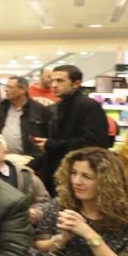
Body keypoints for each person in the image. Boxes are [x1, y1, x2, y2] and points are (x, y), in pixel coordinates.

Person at [29, 65, 108, 195]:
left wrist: (51, 145)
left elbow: (94, 143)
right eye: (53, 80)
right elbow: (52, 148)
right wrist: (32, 166)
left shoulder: (89, 107)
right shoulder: (55, 108)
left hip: (80, 177)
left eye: (60, 81)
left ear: (76, 83)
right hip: (57, 176)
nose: (54, 85)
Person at [0, 131, 50, 226]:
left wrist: (34, 212)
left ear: (5, 153)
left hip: (16, 229)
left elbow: (45, 203)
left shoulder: (24, 176)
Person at [0, 76, 48, 157]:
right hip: (4, 157)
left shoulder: (39, 110)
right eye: (6, 86)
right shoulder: (2, 107)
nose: (6, 90)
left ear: (23, 90)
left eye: (10, 87)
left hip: (28, 158)